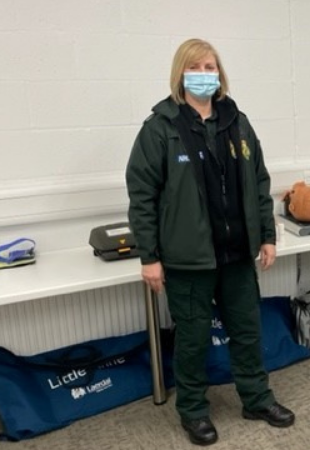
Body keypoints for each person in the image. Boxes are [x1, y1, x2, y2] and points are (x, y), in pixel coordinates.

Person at [126, 38, 294, 446]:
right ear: (181, 72)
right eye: (197, 67)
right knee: (193, 338)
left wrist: (267, 235)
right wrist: (150, 256)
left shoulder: (237, 121)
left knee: (247, 330)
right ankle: (194, 411)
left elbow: (258, 181)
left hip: (237, 254)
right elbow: (142, 195)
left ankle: (256, 398)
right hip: (188, 260)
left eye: (211, 66)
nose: (205, 74)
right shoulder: (160, 128)